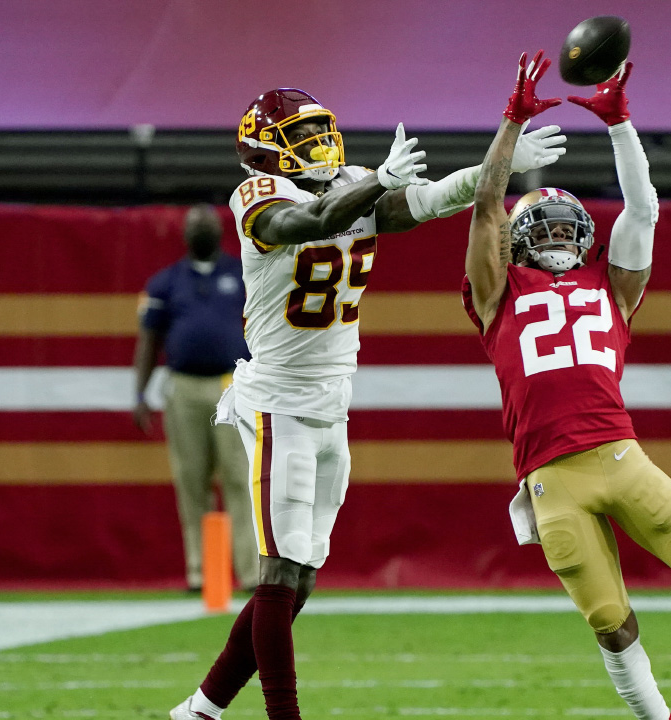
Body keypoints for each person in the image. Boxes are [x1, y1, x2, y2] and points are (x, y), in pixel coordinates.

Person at [169, 88, 567, 720]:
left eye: (319, 131)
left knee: (298, 581)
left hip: (332, 399)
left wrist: (502, 161)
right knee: (277, 573)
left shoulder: (353, 184)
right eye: (301, 137)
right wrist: (375, 181)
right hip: (277, 401)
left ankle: (200, 708)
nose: (319, 146)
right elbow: (310, 222)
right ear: (265, 148)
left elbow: (433, 200)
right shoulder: (258, 195)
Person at [461, 52, 671, 718]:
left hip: (620, 454)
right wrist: (512, 121)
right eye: (541, 228)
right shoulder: (497, 293)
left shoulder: (612, 287)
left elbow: (643, 208)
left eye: (564, 226)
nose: (554, 235)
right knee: (612, 624)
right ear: (519, 246)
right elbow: (486, 207)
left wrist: (619, 123)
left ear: (583, 237)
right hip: (552, 479)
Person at [133, 205, 257, 593]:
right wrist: (140, 392)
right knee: (192, 481)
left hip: (231, 384)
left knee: (239, 478)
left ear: (219, 233)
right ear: (185, 236)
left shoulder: (241, 273)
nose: (200, 230)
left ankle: (250, 572)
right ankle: (199, 570)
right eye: (194, 225)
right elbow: (149, 340)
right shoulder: (166, 283)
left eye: (206, 224)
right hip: (183, 387)